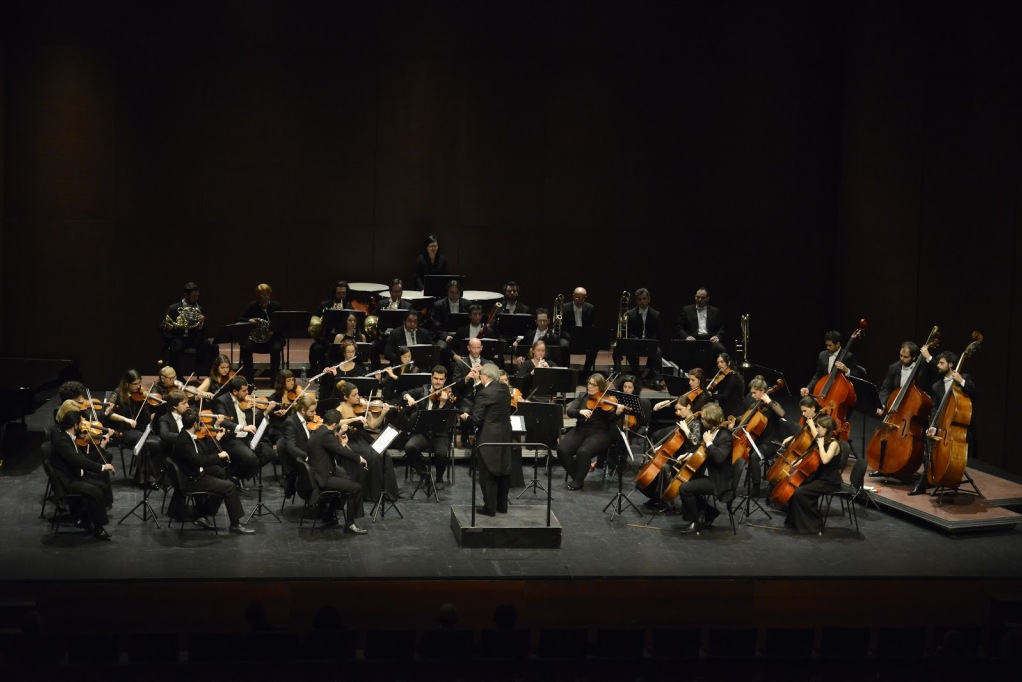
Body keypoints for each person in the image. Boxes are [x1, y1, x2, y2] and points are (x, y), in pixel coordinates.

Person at [171, 409, 255, 534]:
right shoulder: (184, 441)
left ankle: (203, 514)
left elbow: (203, 453)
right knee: (230, 487)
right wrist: (219, 456)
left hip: (192, 471)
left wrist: (217, 437)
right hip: (192, 479)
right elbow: (199, 460)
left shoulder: (186, 434)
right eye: (200, 422)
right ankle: (235, 525)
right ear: (195, 424)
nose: (202, 425)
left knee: (220, 473)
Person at [910, 349, 979, 496]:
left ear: (951, 364)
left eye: (941, 363)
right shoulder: (937, 386)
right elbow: (935, 408)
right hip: (943, 425)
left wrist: (961, 381)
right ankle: (926, 480)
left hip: (959, 428)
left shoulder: (963, 378)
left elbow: (975, 393)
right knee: (928, 442)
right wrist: (933, 426)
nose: (938, 366)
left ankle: (946, 477)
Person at [50, 408, 116, 540]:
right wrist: (102, 467)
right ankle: (99, 528)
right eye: (81, 423)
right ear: (75, 426)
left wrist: (101, 447)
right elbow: (79, 461)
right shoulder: (63, 442)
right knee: (96, 492)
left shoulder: (69, 438)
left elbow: (85, 458)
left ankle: (85, 519)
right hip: (67, 481)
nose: (83, 426)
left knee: (102, 486)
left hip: (75, 475)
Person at [336, 380, 399, 503]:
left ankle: (386, 492)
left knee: (385, 455)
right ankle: (373, 494)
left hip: (363, 437)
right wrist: (355, 418)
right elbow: (337, 422)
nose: (358, 397)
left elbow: (373, 425)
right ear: (345, 397)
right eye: (354, 395)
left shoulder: (362, 407)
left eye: (358, 394)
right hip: (349, 440)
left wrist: (383, 414)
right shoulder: (340, 408)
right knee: (373, 456)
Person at [306, 410, 367, 534]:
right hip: (323, 478)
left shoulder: (319, 431)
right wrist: (359, 458)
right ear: (334, 425)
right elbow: (341, 451)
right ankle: (350, 524)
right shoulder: (326, 435)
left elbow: (333, 448)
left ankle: (329, 514)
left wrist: (340, 439)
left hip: (319, 472)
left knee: (348, 480)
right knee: (356, 488)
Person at [677, 402, 734, 534]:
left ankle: (694, 522)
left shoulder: (725, 437)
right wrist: (688, 454)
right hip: (709, 474)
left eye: (703, 419)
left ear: (710, 419)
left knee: (685, 489)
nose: (701, 421)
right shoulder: (710, 431)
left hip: (718, 480)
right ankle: (710, 512)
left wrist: (709, 442)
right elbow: (700, 450)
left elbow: (719, 458)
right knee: (684, 480)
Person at [211, 376, 278, 486]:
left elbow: (254, 423)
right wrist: (242, 427)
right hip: (232, 438)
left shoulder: (246, 401)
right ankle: (232, 474)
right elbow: (224, 421)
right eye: (244, 390)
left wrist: (266, 411)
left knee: (269, 454)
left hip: (247, 437)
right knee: (251, 458)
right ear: (235, 391)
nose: (247, 393)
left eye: (247, 390)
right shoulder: (221, 401)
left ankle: (237, 475)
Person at [558, 373, 619, 490]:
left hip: (600, 432)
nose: (590, 387)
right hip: (581, 429)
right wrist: (580, 411)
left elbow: (610, 421)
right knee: (562, 450)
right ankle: (577, 475)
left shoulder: (607, 400)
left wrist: (617, 413)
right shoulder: (582, 396)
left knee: (583, 452)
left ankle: (579, 481)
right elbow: (570, 411)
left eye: (593, 385)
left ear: (600, 387)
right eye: (589, 383)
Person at [783, 414, 843, 534]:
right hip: (820, 477)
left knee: (801, 493)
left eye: (819, 427)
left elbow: (825, 459)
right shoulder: (822, 439)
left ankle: (814, 525)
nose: (817, 429)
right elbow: (811, 455)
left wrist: (820, 446)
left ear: (827, 429)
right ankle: (795, 522)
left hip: (829, 481)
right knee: (797, 488)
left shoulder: (833, 444)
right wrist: (799, 462)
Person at [401, 366, 456, 492]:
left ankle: (439, 478)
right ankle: (423, 474)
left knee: (441, 453)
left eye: (441, 379)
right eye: (435, 378)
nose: (438, 382)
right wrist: (408, 397)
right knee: (409, 447)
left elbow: (445, 420)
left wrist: (442, 405)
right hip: (422, 433)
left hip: (440, 434)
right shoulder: (423, 391)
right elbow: (404, 393)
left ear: (445, 380)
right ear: (431, 377)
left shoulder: (449, 396)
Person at [103, 369, 160, 487]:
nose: (138, 386)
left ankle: (145, 476)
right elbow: (108, 414)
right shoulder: (117, 393)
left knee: (157, 441)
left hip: (138, 430)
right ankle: (144, 480)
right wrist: (126, 419)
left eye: (139, 383)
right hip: (122, 431)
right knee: (145, 442)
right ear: (126, 383)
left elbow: (145, 418)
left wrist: (154, 415)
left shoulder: (140, 396)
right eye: (135, 384)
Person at [732, 375, 785, 498]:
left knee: (754, 456)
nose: (752, 395)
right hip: (758, 441)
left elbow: (782, 414)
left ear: (762, 391)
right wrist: (734, 420)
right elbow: (746, 417)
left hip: (771, 442)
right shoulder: (755, 404)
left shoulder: (772, 404)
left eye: (754, 392)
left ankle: (755, 488)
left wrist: (769, 401)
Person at [472, 364, 513, 516]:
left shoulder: (484, 393)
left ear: (486, 376)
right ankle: (502, 506)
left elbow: (477, 419)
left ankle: (489, 508)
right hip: (505, 434)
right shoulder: (505, 389)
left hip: (489, 436)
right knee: (503, 470)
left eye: (481, 375)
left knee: (488, 472)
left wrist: (466, 417)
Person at [612, 288, 665, 389]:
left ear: (649, 299)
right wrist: (637, 340)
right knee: (631, 351)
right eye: (639, 299)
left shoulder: (655, 314)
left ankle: (656, 378)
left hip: (650, 341)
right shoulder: (630, 314)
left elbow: (656, 333)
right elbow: (629, 332)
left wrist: (649, 342)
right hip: (635, 341)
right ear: (636, 301)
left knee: (657, 352)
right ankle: (637, 376)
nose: (642, 301)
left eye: (644, 298)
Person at [161, 281, 219, 372]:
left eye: (197, 296)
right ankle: (177, 376)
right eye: (193, 296)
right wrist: (169, 327)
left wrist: (201, 323)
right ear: (186, 295)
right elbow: (162, 324)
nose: (196, 298)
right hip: (179, 338)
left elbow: (204, 331)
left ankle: (213, 375)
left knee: (214, 348)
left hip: (193, 338)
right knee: (175, 348)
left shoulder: (199, 308)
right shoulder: (174, 308)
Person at [876, 341, 938, 416]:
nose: (902, 359)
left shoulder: (923, 366)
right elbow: (885, 388)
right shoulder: (893, 368)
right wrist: (882, 405)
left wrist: (928, 357)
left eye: (905, 357)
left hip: (917, 408)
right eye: (901, 355)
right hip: (897, 406)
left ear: (914, 357)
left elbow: (937, 371)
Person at [239, 283, 285, 381]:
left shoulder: (276, 306)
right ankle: (249, 380)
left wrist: (274, 330)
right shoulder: (253, 306)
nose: (264, 297)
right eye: (261, 295)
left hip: (272, 339)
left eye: (266, 294)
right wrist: (249, 320)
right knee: (245, 348)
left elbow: (282, 323)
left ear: (270, 295)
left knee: (276, 348)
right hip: (256, 340)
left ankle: (274, 380)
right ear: (258, 296)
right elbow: (239, 318)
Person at [800, 330, 860, 398]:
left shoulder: (848, 356)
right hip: (825, 392)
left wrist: (846, 370)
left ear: (837, 344)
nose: (827, 347)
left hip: (840, 393)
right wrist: (808, 388)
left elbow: (856, 376)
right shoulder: (822, 355)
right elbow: (817, 375)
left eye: (830, 345)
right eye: (826, 345)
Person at [309, 281, 351, 374]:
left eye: (343, 293)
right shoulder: (325, 305)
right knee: (315, 348)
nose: (341, 296)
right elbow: (314, 320)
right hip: (326, 338)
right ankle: (318, 372)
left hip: (343, 340)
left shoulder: (349, 308)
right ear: (334, 294)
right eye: (339, 293)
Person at [370, 279, 413, 369]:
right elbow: (373, 318)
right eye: (394, 291)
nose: (397, 294)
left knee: (392, 352)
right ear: (390, 292)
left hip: (399, 339)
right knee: (373, 346)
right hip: (385, 338)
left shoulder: (407, 306)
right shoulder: (382, 304)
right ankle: (376, 371)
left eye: (399, 292)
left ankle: (395, 371)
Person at [676, 287, 726, 355]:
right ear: (695, 297)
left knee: (722, 350)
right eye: (698, 297)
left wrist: (717, 336)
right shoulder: (686, 310)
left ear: (707, 299)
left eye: (703, 298)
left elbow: (721, 328)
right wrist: (686, 337)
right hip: (693, 339)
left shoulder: (715, 311)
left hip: (710, 339)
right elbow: (680, 327)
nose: (699, 300)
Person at [562, 287, 598, 378]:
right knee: (563, 346)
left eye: (582, 298)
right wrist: (571, 337)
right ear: (573, 296)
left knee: (594, 347)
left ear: (585, 297)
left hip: (584, 337)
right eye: (577, 298)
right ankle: (566, 373)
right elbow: (562, 328)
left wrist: (585, 337)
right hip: (568, 337)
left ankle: (585, 373)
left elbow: (592, 326)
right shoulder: (564, 308)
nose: (579, 300)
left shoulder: (590, 308)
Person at [708, 353, 745, 419]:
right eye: (718, 363)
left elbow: (725, 395)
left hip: (733, 412)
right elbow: (715, 387)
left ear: (728, 363)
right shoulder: (723, 376)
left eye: (722, 362)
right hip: (725, 408)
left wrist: (712, 395)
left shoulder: (733, 377)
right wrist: (708, 389)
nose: (719, 365)